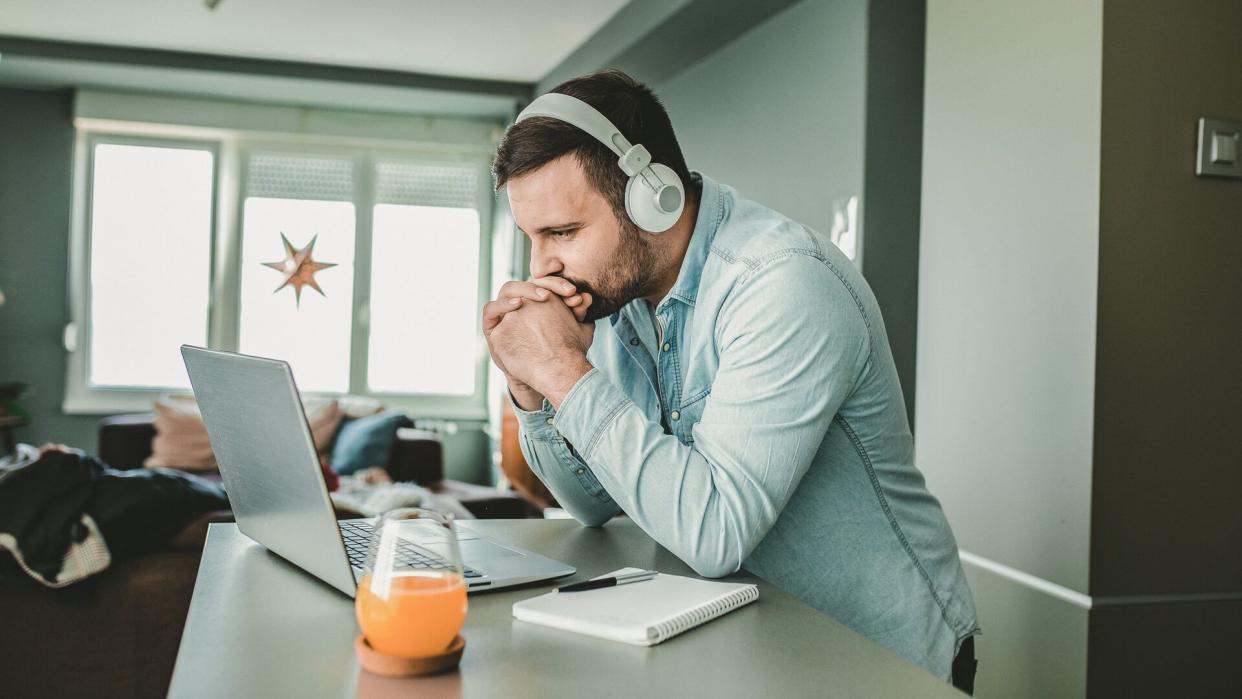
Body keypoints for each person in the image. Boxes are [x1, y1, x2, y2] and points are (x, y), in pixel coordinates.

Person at [483, 69, 978, 691]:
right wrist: (533, 390)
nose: (542, 266)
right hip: (760, 646)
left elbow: (712, 533)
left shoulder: (783, 285)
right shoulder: (620, 291)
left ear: (650, 196)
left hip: (878, 658)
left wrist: (564, 370)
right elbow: (589, 504)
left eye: (562, 232)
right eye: (532, 238)